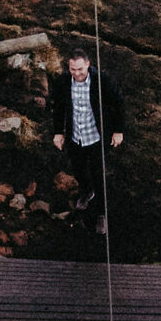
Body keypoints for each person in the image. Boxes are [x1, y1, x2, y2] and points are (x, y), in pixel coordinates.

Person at [47, 47, 126, 235]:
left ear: (88, 65)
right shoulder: (64, 81)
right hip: (76, 138)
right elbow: (58, 107)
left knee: (99, 176)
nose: (77, 73)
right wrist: (58, 132)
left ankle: (101, 214)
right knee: (78, 170)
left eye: (80, 69)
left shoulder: (101, 80)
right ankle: (86, 191)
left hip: (97, 137)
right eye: (73, 69)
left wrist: (118, 131)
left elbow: (118, 103)